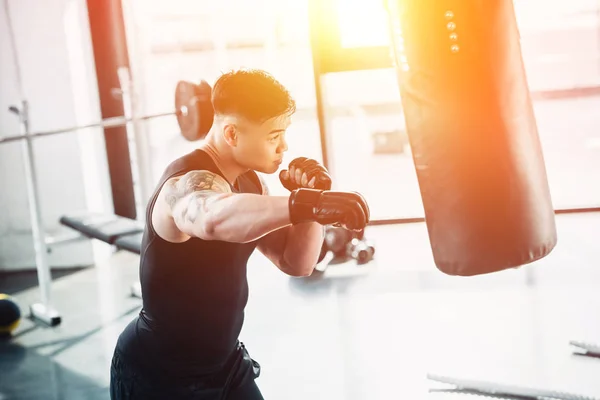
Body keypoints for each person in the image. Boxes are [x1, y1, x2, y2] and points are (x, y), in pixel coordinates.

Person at [109, 69, 370, 400]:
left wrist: (310, 207)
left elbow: (296, 263)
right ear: (231, 133)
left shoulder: (251, 183)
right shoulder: (184, 182)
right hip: (159, 376)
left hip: (226, 367)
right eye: (274, 136)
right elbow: (211, 218)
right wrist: (303, 204)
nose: (283, 147)